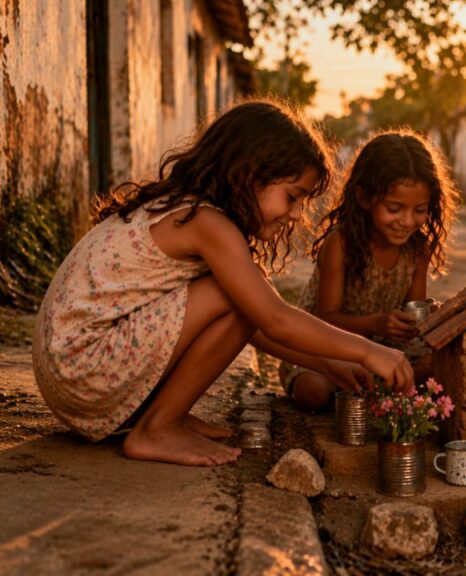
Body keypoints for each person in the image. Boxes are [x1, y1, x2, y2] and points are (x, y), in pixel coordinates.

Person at [32, 99, 414, 467]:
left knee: (241, 299)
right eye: (292, 197)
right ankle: (158, 427)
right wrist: (368, 351)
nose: (296, 214)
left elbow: (251, 327)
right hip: (81, 368)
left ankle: (167, 416)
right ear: (249, 175)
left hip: (72, 373)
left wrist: (330, 365)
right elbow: (273, 319)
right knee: (235, 297)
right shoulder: (207, 223)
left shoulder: (193, 211)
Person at [279, 129, 457, 411]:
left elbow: (415, 313)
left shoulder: (417, 248)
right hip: (330, 345)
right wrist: (377, 323)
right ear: (364, 197)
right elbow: (326, 318)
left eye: (420, 210)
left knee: (441, 366)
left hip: (388, 351)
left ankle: (373, 394)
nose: (407, 221)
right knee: (313, 389)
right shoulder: (341, 244)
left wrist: (424, 318)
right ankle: (378, 394)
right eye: (394, 208)